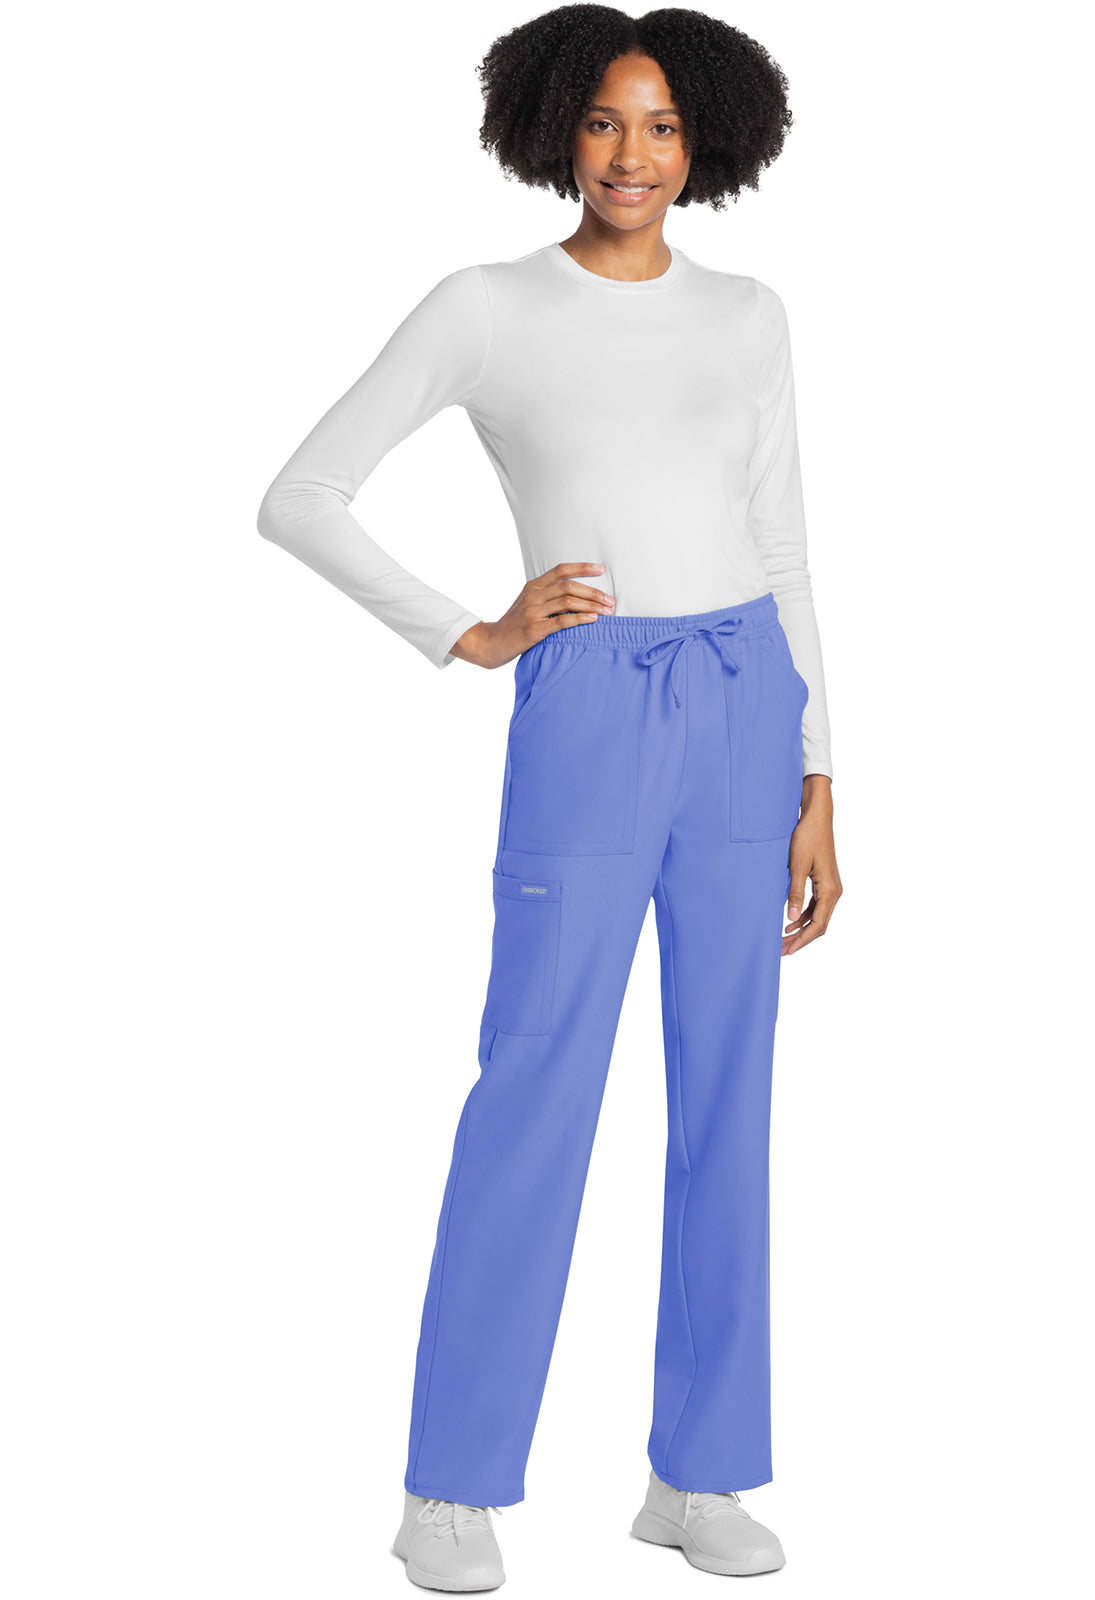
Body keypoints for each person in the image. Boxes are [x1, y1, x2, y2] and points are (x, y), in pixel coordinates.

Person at [257, 5, 843, 1589]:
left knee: (729, 1100)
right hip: (588, 706)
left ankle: (699, 1474)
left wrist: (819, 771)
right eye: (601, 122)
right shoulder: (487, 306)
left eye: (661, 127)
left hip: (745, 699)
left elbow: (784, 547)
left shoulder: (750, 316)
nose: (631, 156)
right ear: (552, 132)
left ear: (706, 138)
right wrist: (473, 628)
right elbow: (300, 496)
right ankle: (448, 1488)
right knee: (535, 1086)